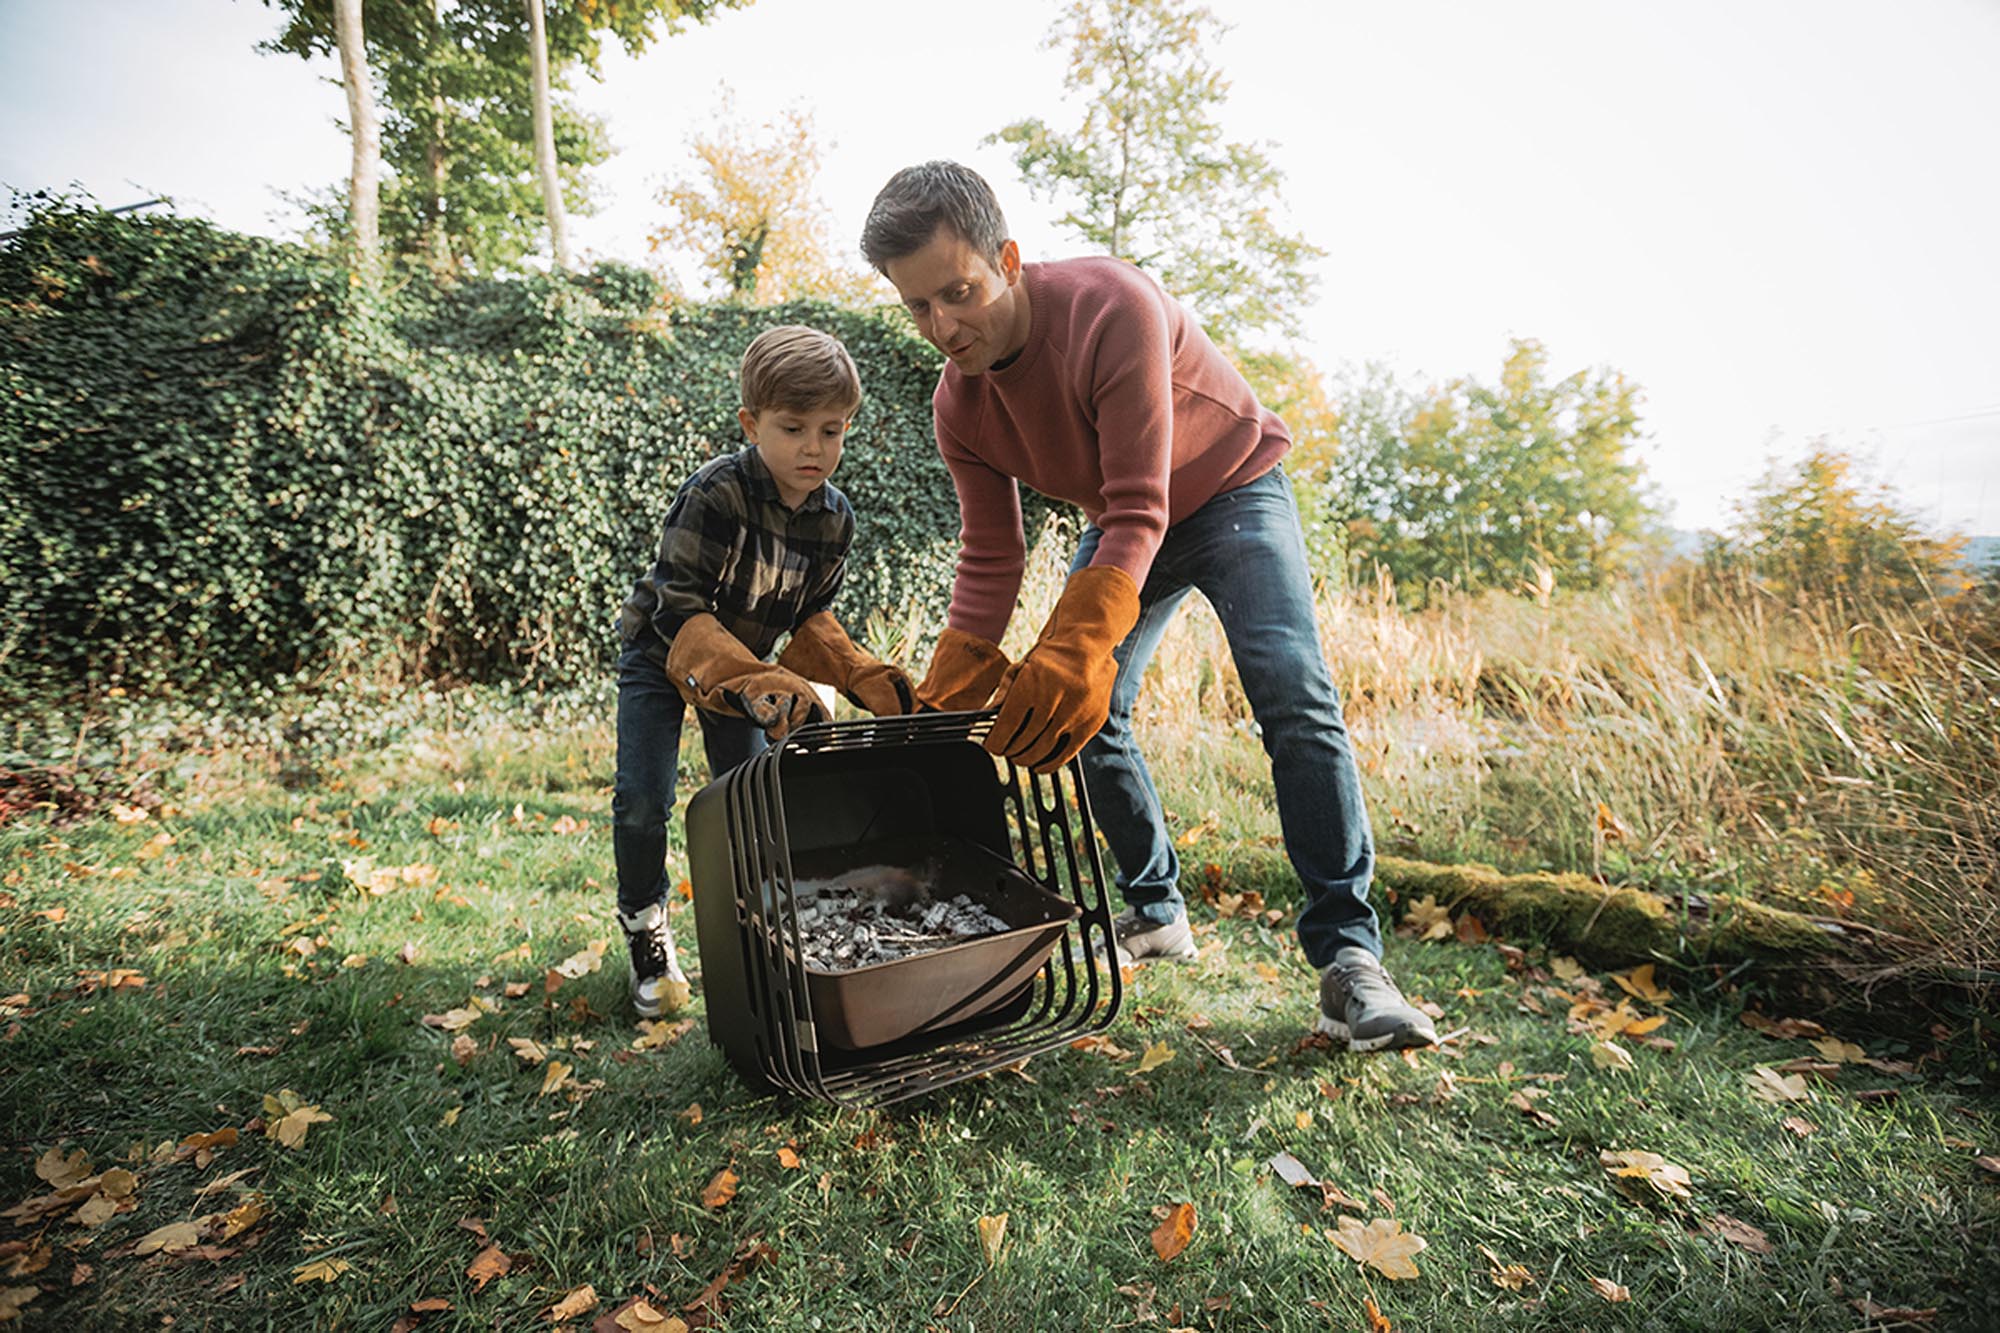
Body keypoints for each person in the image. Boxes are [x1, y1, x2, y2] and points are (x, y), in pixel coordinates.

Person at [861, 162, 1436, 1052]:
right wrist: (950, 690)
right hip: (1128, 521)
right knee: (1089, 714)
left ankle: (1350, 957)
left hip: (1232, 486)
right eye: (917, 309)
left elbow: (1140, 501)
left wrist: (1073, 640)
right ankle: (1157, 908)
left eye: (958, 292)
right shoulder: (958, 405)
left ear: (1008, 259)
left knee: (1291, 687)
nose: (943, 327)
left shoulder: (1111, 305)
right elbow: (992, 554)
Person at [612, 324, 916, 1018]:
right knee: (641, 800)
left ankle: (752, 936)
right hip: (662, 653)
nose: (815, 448)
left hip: (749, 673)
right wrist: (747, 677)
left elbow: (810, 618)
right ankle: (645, 927)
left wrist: (852, 669)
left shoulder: (835, 521)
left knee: (744, 803)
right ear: (752, 424)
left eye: (833, 430)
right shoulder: (715, 494)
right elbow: (680, 606)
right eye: (794, 427)